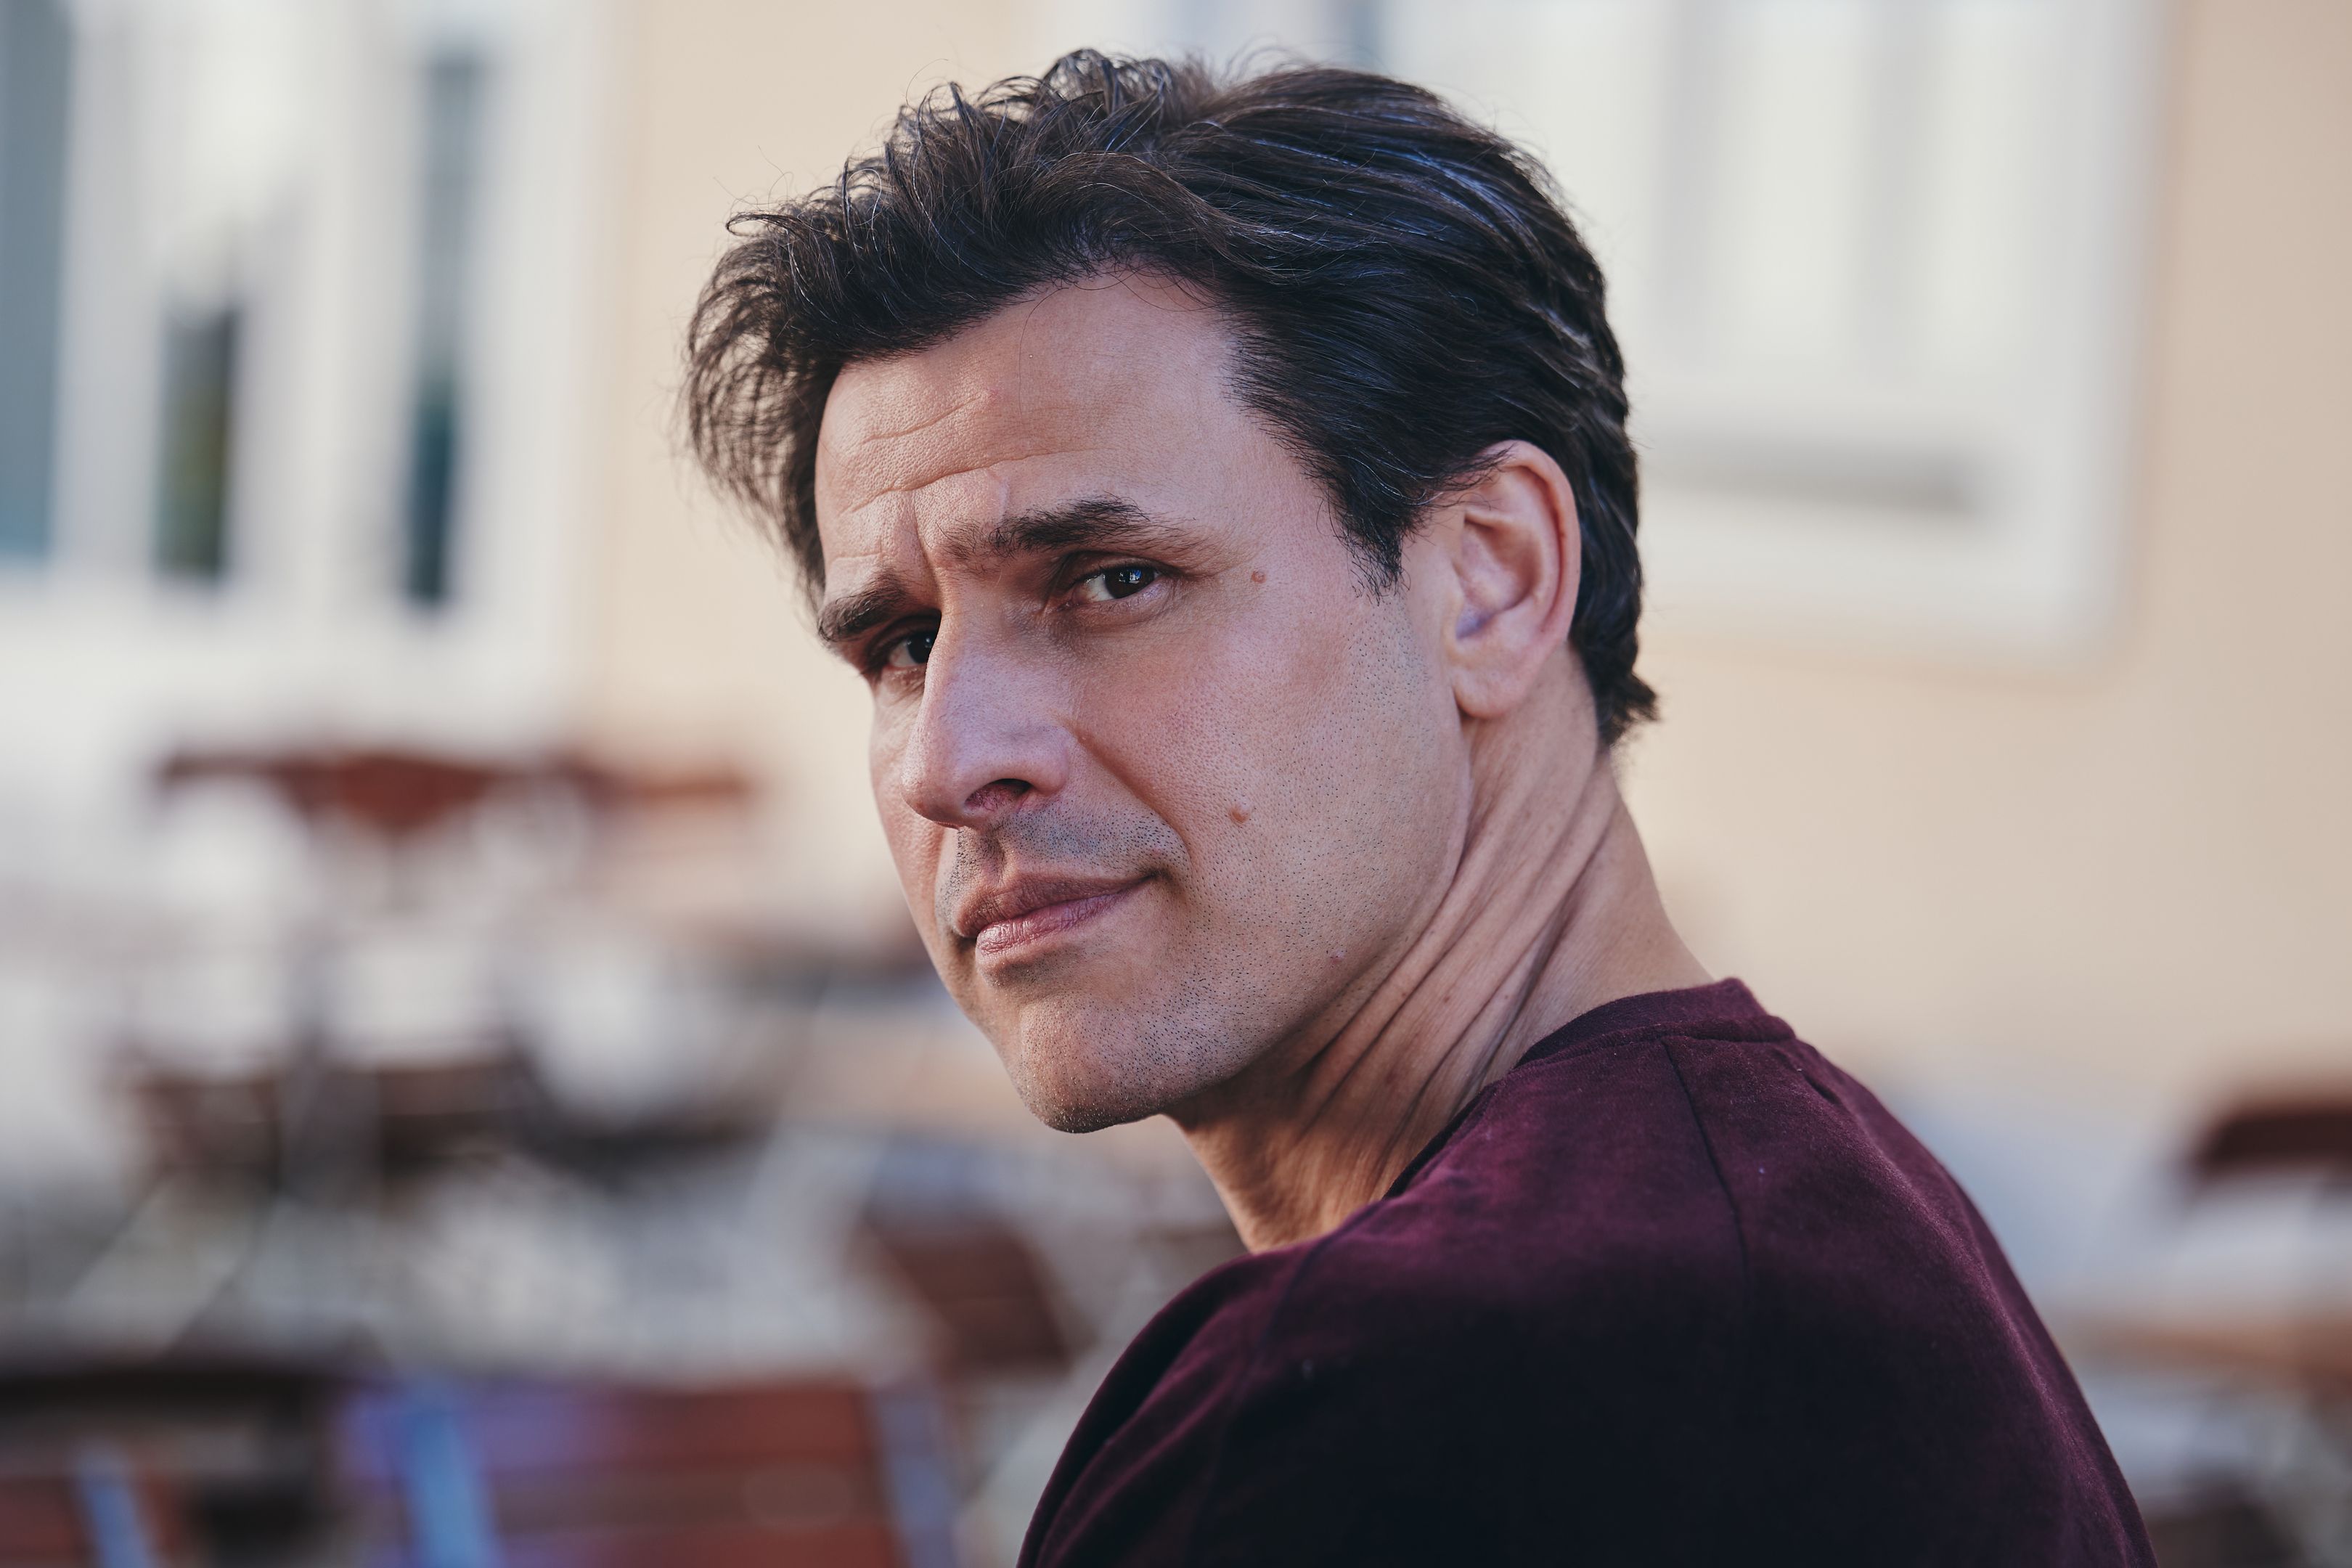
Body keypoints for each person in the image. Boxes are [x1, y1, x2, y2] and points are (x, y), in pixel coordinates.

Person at [682, 51, 2153, 1567]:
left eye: (1112, 581)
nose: (947, 761)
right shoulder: (1804, 1206)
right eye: (901, 645)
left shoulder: (1393, 1388)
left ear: (1492, 580)